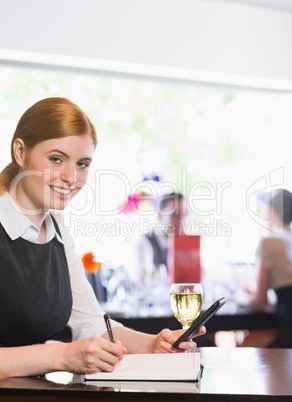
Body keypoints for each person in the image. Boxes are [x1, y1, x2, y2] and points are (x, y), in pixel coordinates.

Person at [0, 98, 205, 380]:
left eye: (82, 164)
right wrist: (62, 355)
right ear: (20, 152)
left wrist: (154, 344)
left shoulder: (57, 229)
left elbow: (92, 324)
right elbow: (65, 352)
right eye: (56, 159)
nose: (71, 177)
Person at [247, 189, 292, 347]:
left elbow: (260, 301)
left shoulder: (269, 242)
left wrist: (242, 298)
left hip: (288, 334)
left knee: (249, 344)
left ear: (271, 211)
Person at [134, 192, 187, 283]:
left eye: (185, 214)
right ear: (160, 215)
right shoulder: (144, 242)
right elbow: (140, 282)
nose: (181, 220)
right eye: (175, 214)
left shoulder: (186, 243)